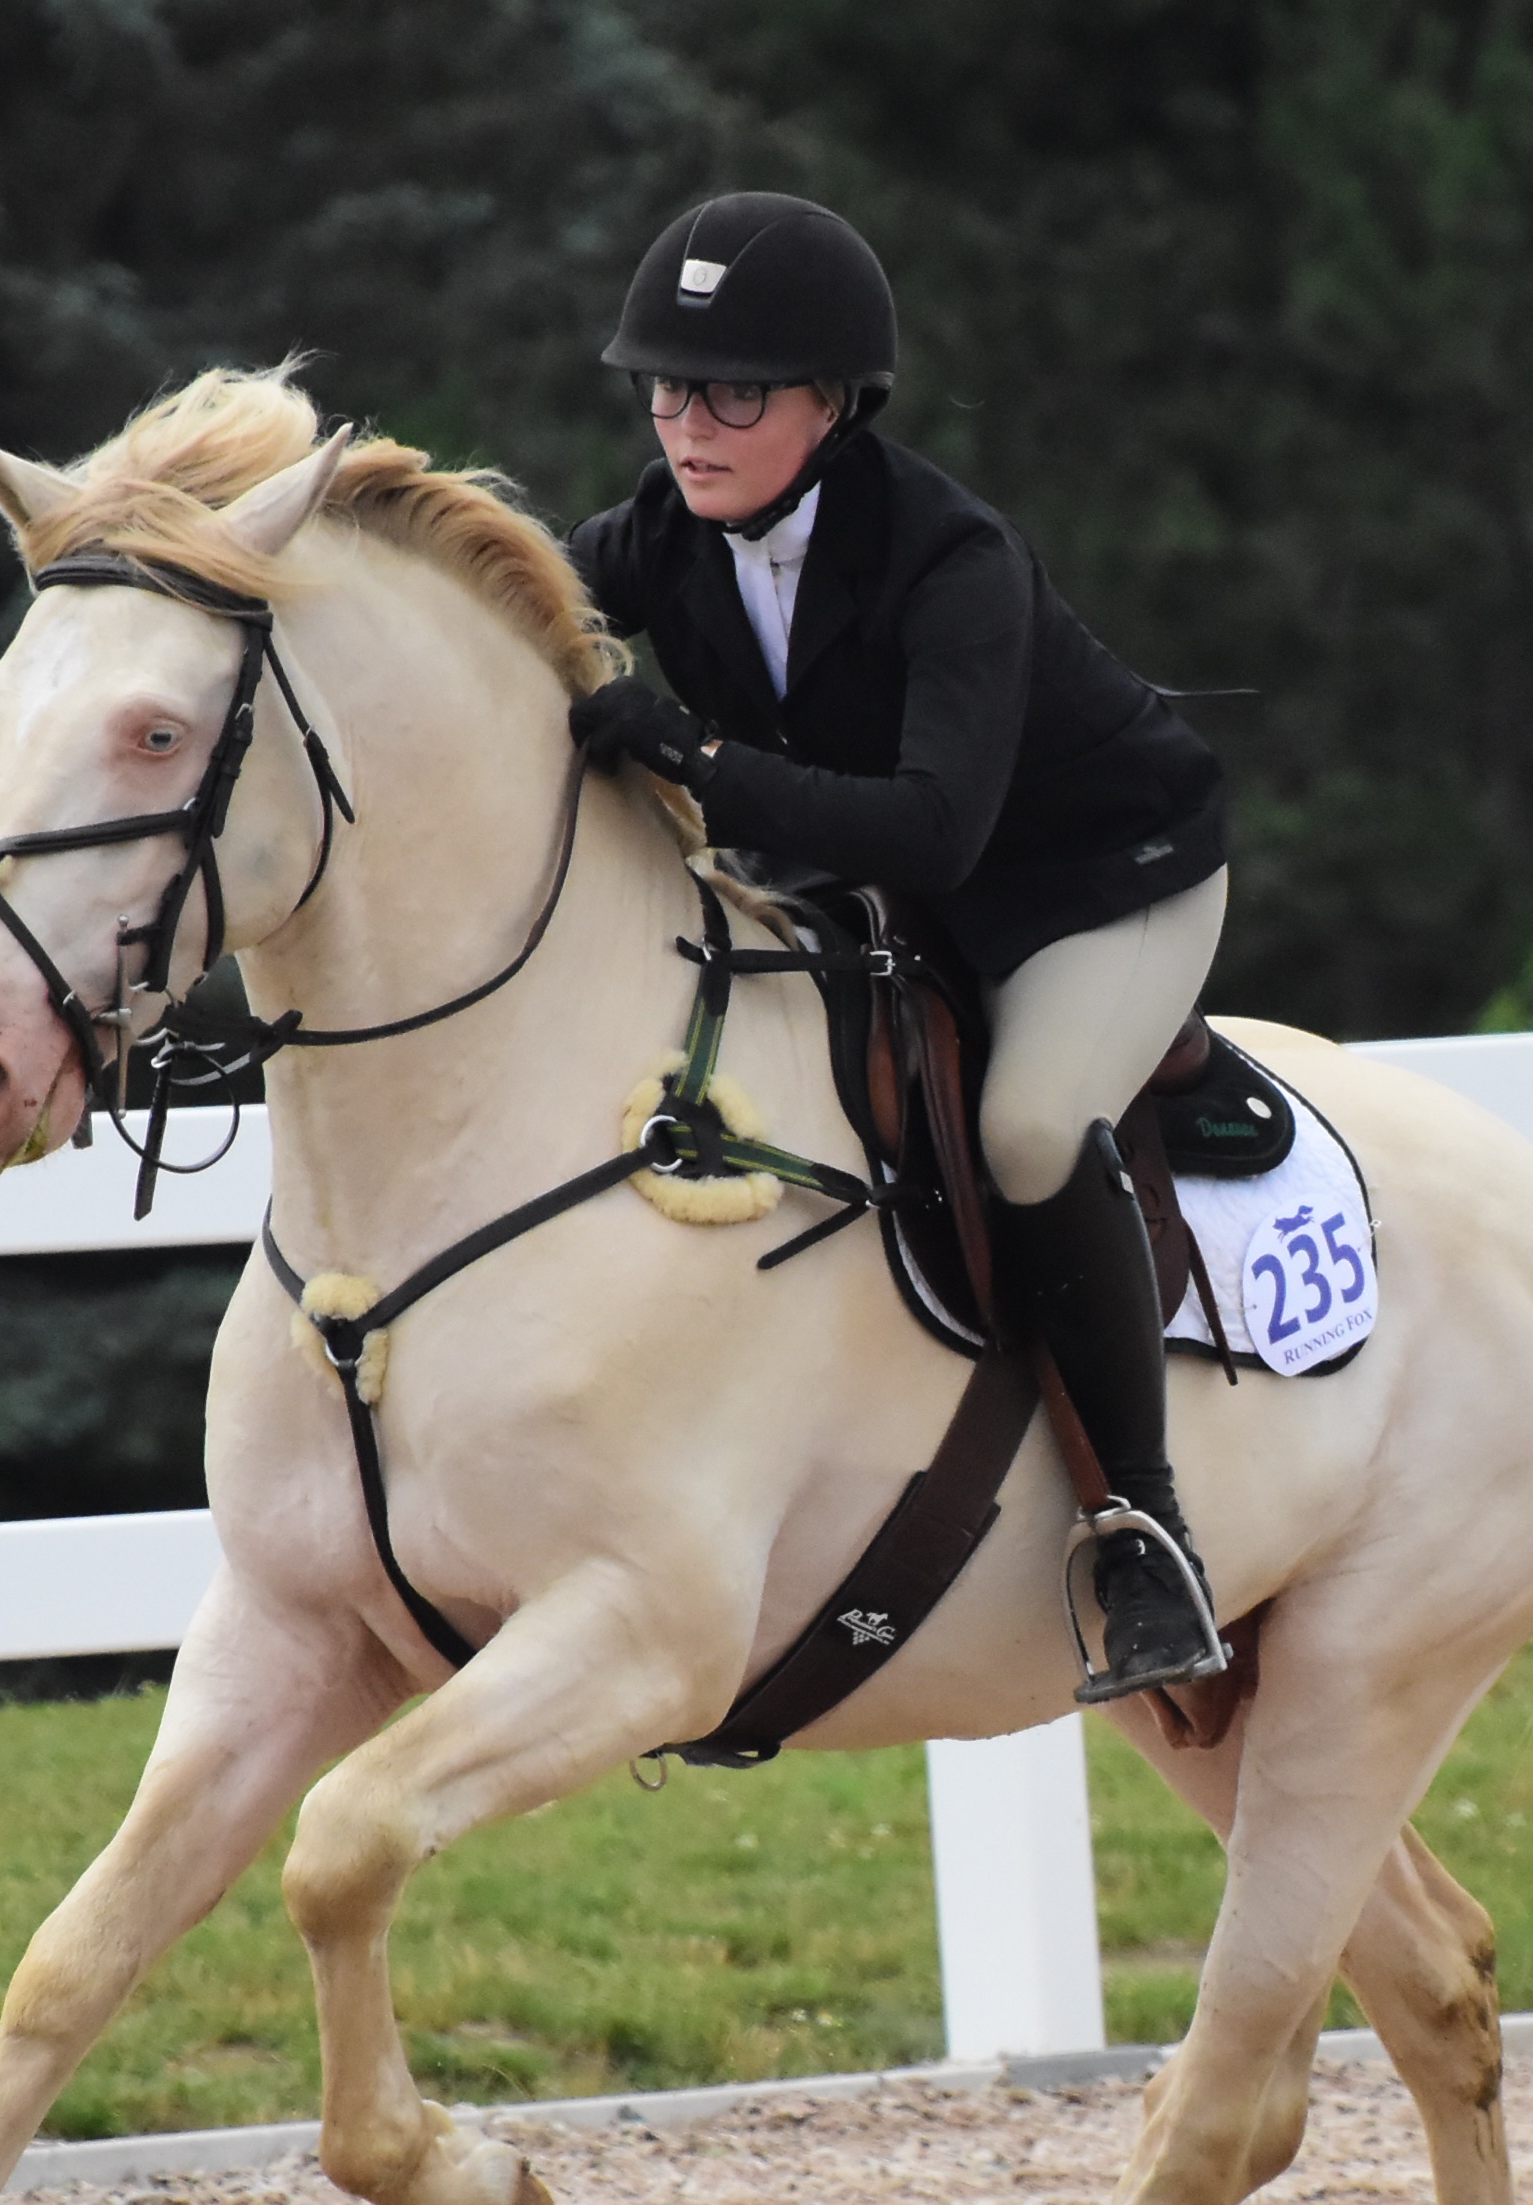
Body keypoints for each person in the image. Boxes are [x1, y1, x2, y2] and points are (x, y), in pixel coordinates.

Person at [562, 192, 1234, 1706]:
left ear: (832, 404)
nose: (688, 424)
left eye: (732, 392)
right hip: (900, 894)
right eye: (666, 386)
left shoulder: (951, 560)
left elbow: (932, 831)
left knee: (1027, 1127)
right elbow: (507, 621)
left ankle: (1144, 1528)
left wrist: (695, 754)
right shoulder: (660, 537)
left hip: (1092, 884)